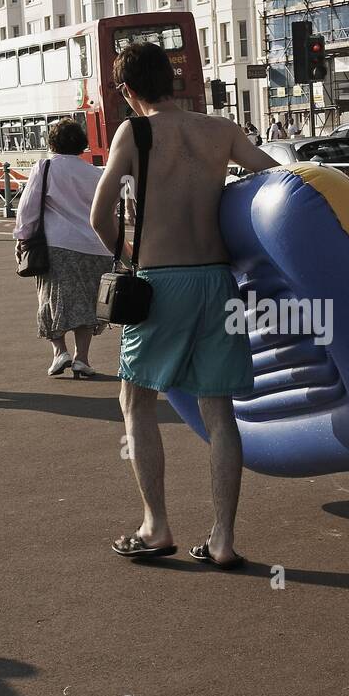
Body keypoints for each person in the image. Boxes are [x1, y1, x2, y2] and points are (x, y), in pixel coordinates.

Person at [92, 41, 277, 568]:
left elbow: (98, 215)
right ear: (173, 83)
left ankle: (156, 526)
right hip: (218, 282)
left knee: (136, 401)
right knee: (219, 412)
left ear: (127, 91)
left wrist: (127, 251)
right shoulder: (221, 131)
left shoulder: (135, 132)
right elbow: (274, 180)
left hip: (161, 282)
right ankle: (222, 539)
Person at [14, 119, 111, 379]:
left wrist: (23, 238)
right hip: (96, 247)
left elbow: (28, 208)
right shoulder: (96, 172)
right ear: (82, 143)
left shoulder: (45, 167)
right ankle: (82, 358)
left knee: (51, 299)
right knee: (87, 303)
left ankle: (60, 352)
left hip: (58, 245)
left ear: (52, 142)